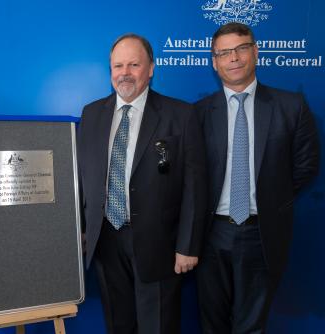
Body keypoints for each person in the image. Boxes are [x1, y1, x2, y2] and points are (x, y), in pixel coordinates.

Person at [77, 33, 207, 334]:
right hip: (106, 240)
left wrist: (188, 246)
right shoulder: (92, 113)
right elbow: (85, 175)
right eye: (118, 65)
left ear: (151, 68)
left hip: (159, 243)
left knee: (157, 325)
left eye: (134, 64)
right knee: (118, 323)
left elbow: (195, 187)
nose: (125, 72)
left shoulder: (181, 115)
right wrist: (83, 227)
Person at [195, 22, 320, 333]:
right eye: (224, 52)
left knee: (251, 326)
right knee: (212, 324)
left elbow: (306, 166)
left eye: (241, 48)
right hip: (210, 235)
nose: (233, 58)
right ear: (214, 61)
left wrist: (270, 195)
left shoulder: (291, 106)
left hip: (261, 233)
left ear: (256, 52)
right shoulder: (196, 114)